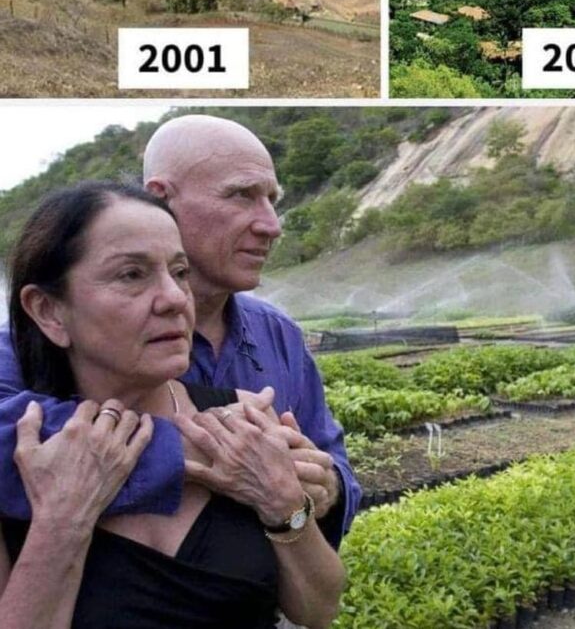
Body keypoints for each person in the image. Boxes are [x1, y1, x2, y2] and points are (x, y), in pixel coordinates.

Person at [0, 115, 360, 549]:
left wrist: (323, 486)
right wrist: (201, 450)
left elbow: (330, 457)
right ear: (162, 200)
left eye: (271, 199)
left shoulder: (279, 335)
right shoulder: (32, 342)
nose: (271, 224)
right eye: (242, 195)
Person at [0, 181, 345, 629]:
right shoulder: (25, 458)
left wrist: (284, 504)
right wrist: (63, 523)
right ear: (48, 311)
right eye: (132, 275)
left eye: (179, 272)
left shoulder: (244, 421)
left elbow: (318, 610)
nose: (174, 299)